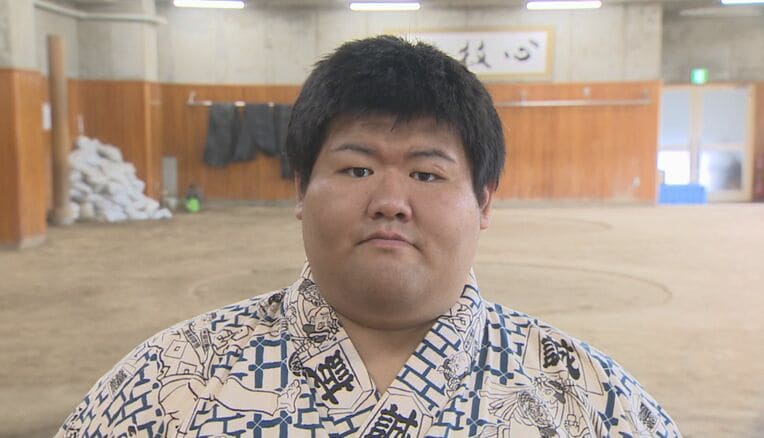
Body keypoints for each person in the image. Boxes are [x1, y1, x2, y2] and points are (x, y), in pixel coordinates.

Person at [56, 36, 680, 437]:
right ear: (301, 189)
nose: (390, 202)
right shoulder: (166, 380)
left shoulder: (590, 399)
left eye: (427, 174)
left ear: (484, 202)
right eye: (356, 169)